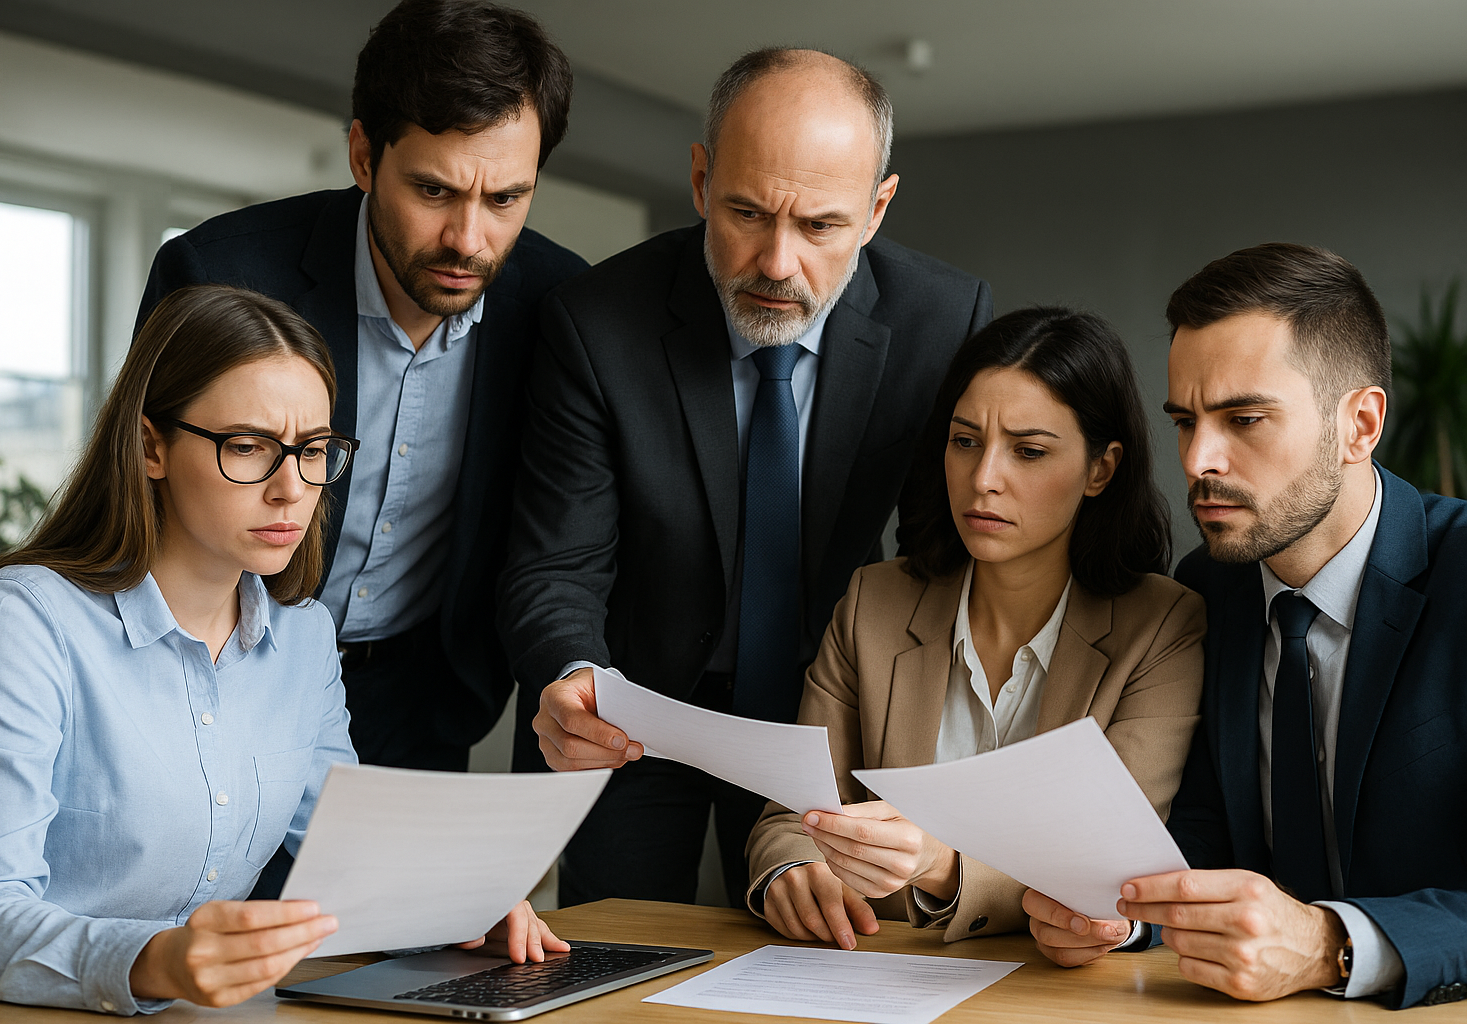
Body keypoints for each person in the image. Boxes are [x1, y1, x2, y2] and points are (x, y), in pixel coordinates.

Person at [0, 286, 562, 1015]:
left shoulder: (302, 636)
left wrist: (452, 906)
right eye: (249, 447)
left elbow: (348, 847)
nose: (293, 490)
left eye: (315, 451)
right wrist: (151, 961)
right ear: (150, 446)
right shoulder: (26, 619)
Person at [497, 47, 993, 909]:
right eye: (746, 212)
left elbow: (938, 557)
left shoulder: (941, 322)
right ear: (699, 182)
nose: (775, 262)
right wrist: (570, 671)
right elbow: (556, 563)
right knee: (620, 954)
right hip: (639, 711)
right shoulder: (595, 323)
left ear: (877, 210)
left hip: (833, 710)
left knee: (830, 960)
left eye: (820, 227)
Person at [136, 0, 588, 779]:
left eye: (506, 199)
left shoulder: (559, 308)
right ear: (362, 155)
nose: (468, 240)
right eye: (435, 191)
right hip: (219, 669)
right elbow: (140, 499)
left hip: (421, 699)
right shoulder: (220, 274)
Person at [1026, 243, 1467, 1009]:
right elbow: (1206, 835)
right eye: (1185, 421)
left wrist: (1332, 943)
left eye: (1245, 418)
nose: (1198, 459)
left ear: (1359, 424)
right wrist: (1121, 916)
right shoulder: (1206, 590)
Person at [745, 307, 1205, 951]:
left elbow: (1108, 859)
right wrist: (792, 871)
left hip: (1056, 993)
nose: (984, 479)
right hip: (874, 974)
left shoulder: (1163, 627)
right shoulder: (872, 601)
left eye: (1029, 451)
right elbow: (791, 814)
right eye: (966, 441)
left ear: (1101, 469)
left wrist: (944, 865)